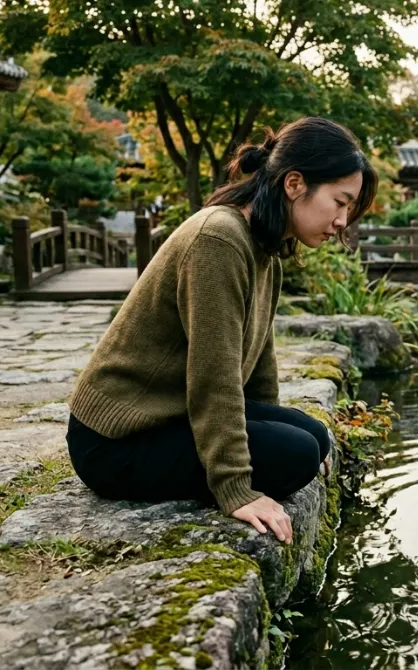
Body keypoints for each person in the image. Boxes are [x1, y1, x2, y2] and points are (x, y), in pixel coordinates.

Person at [66, 117, 378, 543]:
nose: (343, 220)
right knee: (298, 454)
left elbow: (259, 359)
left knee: (312, 435)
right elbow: (213, 376)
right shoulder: (220, 240)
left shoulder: (264, 244)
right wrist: (237, 488)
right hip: (116, 440)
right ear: (294, 184)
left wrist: (269, 424)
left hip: (169, 416)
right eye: (340, 202)